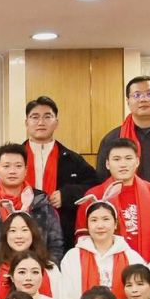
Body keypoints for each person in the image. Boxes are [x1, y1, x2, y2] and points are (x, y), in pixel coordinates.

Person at [0, 143, 66, 263]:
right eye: (6, 166)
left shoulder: (42, 204)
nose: (12, 171)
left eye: (18, 166)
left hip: (35, 270)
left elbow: (56, 244)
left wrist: (47, 269)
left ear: (26, 170)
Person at [75, 139, 150, 259]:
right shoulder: (94, 195)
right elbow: (83, 238)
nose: (123, 164)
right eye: (116, 159)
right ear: (107, 164)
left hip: (148, 265)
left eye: (128, 158)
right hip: (106, 264)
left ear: (137, 161)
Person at [20, 97, 102, 229]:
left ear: (56, 123)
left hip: (61, 230)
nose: (41, 122)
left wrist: (67, 195)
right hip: (19, 229)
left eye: (47, 117)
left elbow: (95, 186)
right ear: (26, 123)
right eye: (35, 117)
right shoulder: (14, 157)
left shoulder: (72, 159)